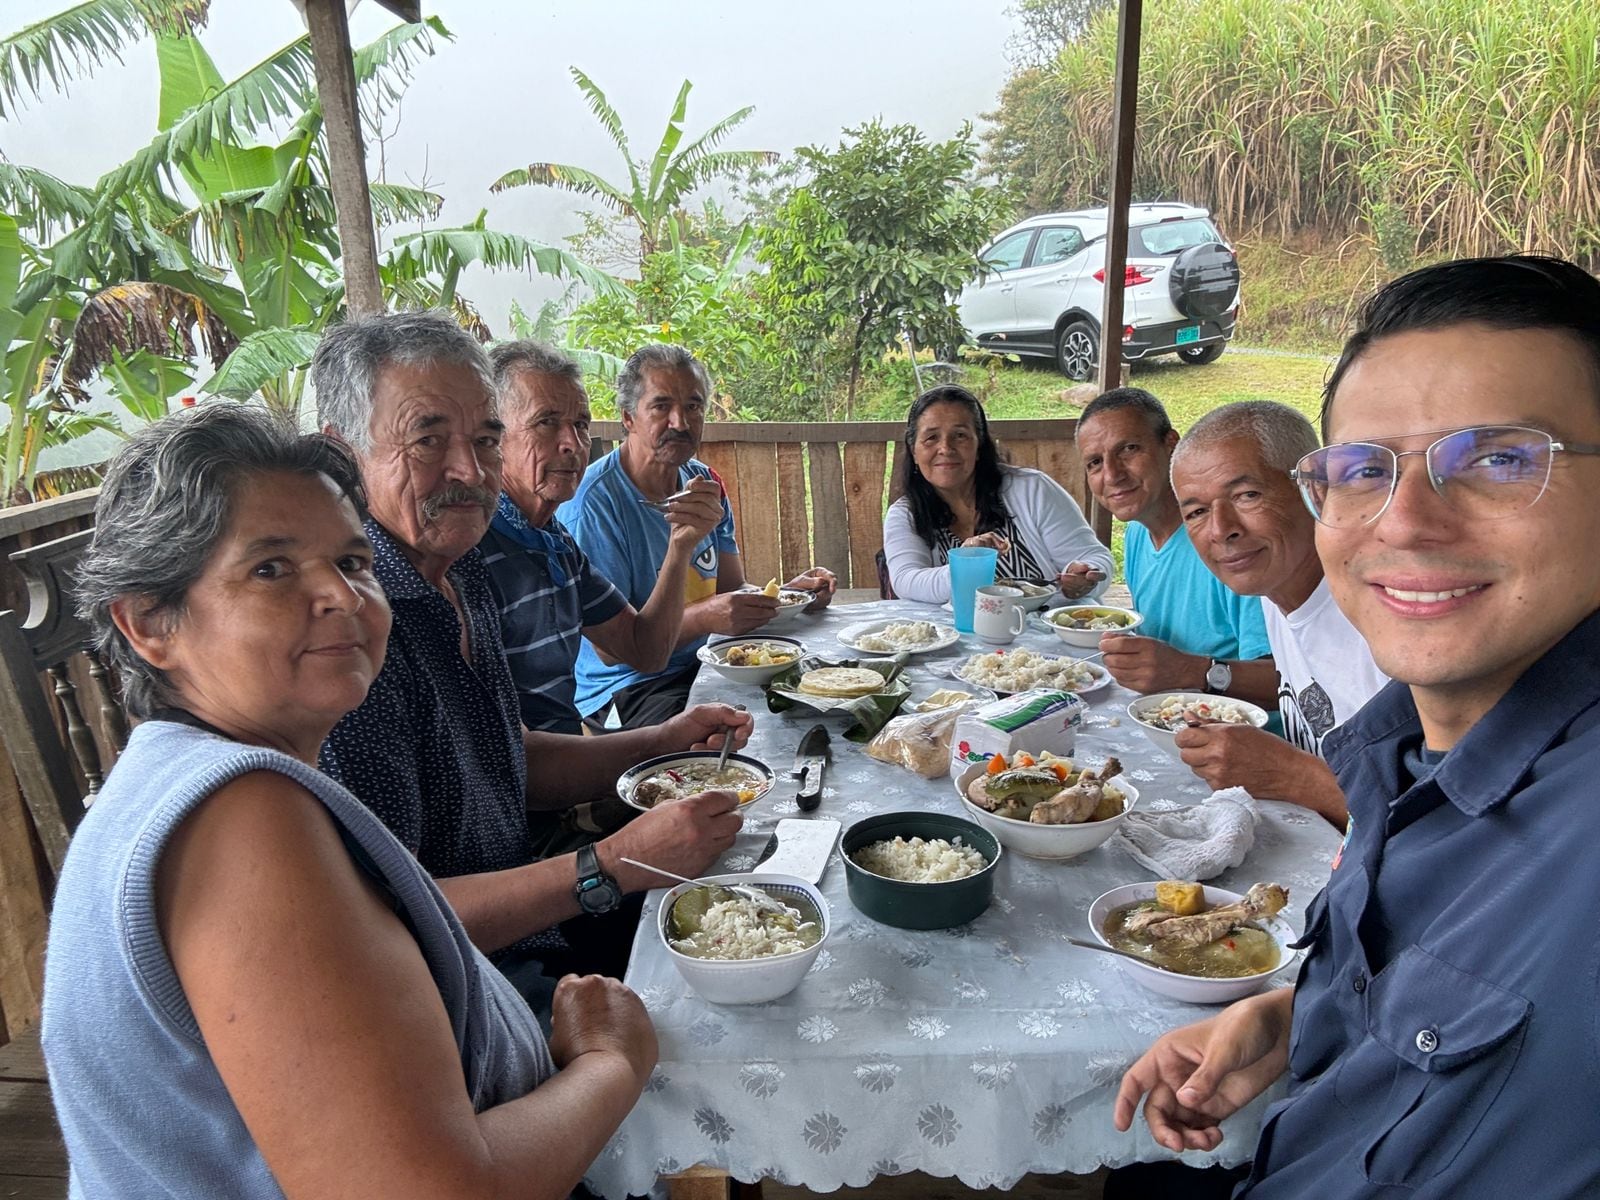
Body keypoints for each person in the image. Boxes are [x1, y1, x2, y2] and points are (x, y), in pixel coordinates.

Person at [43, 404, 653, 1199]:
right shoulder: (239, 818)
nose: (339, 594)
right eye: (271, 569)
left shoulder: (194, 777)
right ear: (151, 624)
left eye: (353, 561)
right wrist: (611, 1060)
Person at [1116, 253, 1600, 1197]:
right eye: (1365, 469)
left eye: (1501, 459)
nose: (1406, 521)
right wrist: (1301, 1018)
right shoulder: (1406, 745)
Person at [312, 312, 751, 1003]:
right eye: (428, 439)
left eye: (484, 440)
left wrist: (662, 742)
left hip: (529, 911)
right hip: (464, 990)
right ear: (343, 456)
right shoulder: (349, 635)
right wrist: (607, 865)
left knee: (741, 891)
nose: (469, 470)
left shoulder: (462, 571)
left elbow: (513, 759)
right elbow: (386, 923)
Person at [559, 343, 836, 729]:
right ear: (628, 417)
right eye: (661, 406)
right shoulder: (594, 504)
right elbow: (612, 651)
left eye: (693, 406)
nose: (680, 422)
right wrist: (706, 618)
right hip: (629, 688)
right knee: (729, 741)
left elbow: (730, 590)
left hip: (708, 662)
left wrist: (789, 596)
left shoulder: (703, 483)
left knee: (818, 699)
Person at [479, 340, 724, 742]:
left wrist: (680, 546)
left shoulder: (554, 542)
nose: (573, 444)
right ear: (491, 437)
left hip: (564, 759)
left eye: (580, 424)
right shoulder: (472, 552)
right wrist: (660, 743)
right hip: (564, 749)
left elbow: (645, 650)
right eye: (546, 422)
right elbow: (513, 755)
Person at [1166, 400, 1388, 825]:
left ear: (1316, 489)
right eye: (1196, 512)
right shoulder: (1273, 589)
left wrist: (1293, 776)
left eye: (1247, 495)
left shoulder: (1385, 619)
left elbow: (1450, 830)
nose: (1221, 530)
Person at [1075, 387, 1275, 705]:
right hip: (1165, 716)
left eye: (1128, 449)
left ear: (1171, 445)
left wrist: (1190, 671)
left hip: (1242, 728)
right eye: (1095, 463)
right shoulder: (1137, 533)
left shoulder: (1230, 541)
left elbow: (1289, 682)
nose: (1112, 475)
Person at [883, 384, 1113, 603]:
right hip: (956, 630)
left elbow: (1096, 558)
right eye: (931, 437)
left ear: (979, 445)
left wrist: (1086, 577)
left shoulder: (1031, 489)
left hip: (1048, 628)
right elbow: (906, 581)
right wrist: (966, 563)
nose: (945, 448)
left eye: (960, 435)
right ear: (914, 451)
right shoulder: (905, 514)